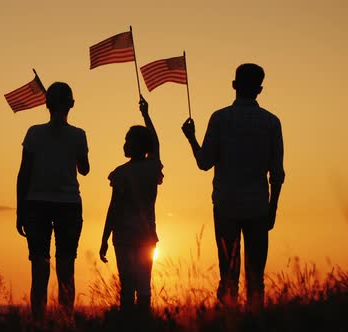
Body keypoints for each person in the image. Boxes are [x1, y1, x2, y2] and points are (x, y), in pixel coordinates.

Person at [181, 63, 285, 310]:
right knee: (255, 276)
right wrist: (273, 207)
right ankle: (255, 322)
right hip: (259, 205)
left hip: (226, 205)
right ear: (259, 89)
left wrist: (191, 138)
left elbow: (204, 162)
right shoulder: (271, 122)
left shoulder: (220, 119)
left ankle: (228, 320)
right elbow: (277, 173)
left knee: (228, 274)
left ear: (234, 85)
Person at [16, 82, 90, 320]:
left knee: (40, 269)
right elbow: (85, 169)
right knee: (66, 268)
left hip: (36, 205)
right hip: (67, 206)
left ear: (46, 105)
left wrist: (21, 210)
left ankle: (39, 322)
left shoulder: (34, 133)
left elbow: (23, 174)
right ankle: (64, 323)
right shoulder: (78, 135)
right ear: (72, 105)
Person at [99, 96, 163, 315]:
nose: (124, 144)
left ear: (137, 145)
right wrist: (146, 115)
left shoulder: (121, 173)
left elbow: (113, 208)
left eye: (128, 140)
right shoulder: (152, 168)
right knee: (144, 287)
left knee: (127, 286)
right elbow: (156, 143)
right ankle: (143, 323)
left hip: (125, 237)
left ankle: (128, 323)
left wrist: (104, 238)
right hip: (145, 237)